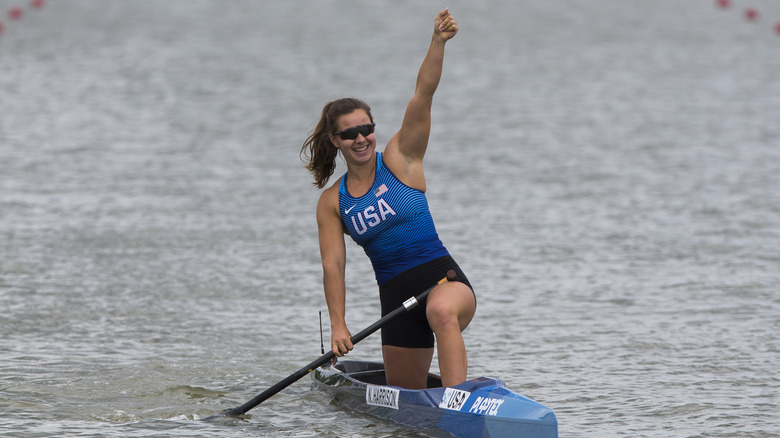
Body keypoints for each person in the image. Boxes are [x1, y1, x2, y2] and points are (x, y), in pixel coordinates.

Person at [300, 8, 475, 390]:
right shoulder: (333, 202)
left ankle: (458, 400)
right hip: (396, 302)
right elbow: (333, 266)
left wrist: (437, 42)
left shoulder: (400, 161)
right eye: (350, 134)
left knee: (442, 312)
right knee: (403, 397)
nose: (360, 138)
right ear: (335, 142)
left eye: (366, 129)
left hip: (443, 281)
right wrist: (339, 326)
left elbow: (423, 94)